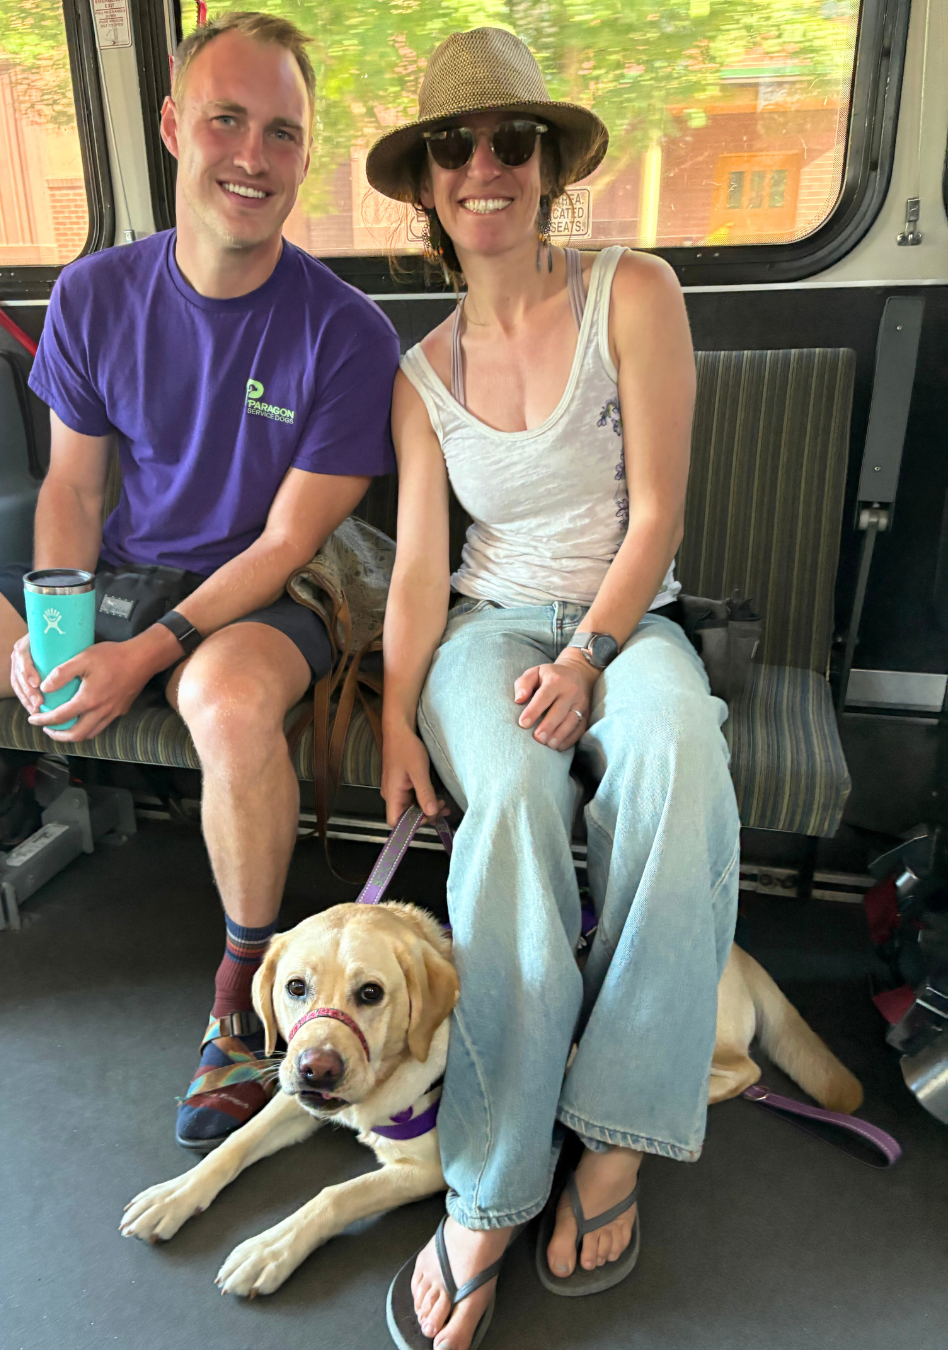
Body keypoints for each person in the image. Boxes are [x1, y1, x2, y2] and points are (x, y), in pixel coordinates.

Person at [0, 9, 400, 1156]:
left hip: (273, 590)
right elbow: (72, 486)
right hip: (125, 572)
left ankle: (245, 1009)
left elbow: (285, 543)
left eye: (283, 133)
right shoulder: (95, 294)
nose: (252, 156)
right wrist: (58, 626)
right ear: (171, 127)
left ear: (306, 154)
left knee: (228, 703)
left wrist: (142, 656)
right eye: (226, 121)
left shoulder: (347, 332)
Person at [367, 28, 740, 1350]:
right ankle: (492, 1180)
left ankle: (618, 1134)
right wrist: (396, 710)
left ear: (548, 165)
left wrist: (587, 658)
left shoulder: (634, 290)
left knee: (679, 754)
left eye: (511, 141)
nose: (486, 166)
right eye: (454, 148)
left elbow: (659, 513)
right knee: (515, 801)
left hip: (625, 620)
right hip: (487, 628)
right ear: (427, 184)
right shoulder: (418, 375)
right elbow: (420, 570)